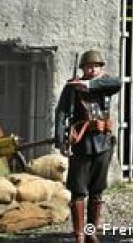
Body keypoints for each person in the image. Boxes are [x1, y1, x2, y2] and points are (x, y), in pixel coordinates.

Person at [54, 49, 121, 243]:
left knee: (97, 190)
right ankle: (79, 234)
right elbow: (61, 114)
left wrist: (89, 85)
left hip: (103, 143)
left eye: (95, 67)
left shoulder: (104, 84)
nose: (91, 69)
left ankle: (91, 231)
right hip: (81, 144)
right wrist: (61, 140)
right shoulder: (72, 87)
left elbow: (117, 83)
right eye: (88, 67)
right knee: (78, 191)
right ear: (82, 68)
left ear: (100, 68)